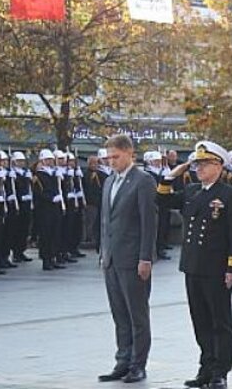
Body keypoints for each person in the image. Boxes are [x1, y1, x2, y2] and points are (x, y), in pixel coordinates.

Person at [161, 141, 232, 389]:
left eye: (204, 164)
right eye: (196, 164)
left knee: (220, 321)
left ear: (218, 166)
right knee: (200, 321)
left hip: (216, 268)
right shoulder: (191, 191)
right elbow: (162, 200)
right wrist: (171, 175)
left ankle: (220, 371)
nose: (198, 168)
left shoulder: (230, 194)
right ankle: (206, 367)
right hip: (192, 265)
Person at [97, 135, 157, 385]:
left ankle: (138, 364)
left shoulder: (143, 181)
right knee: (119, 314)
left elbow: (149, 222)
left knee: (137, 315)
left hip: (133, 259)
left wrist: (146, 257)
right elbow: (105, 221)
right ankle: (122, 361)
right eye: (109, 157)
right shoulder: (109, 181)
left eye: (116, 156)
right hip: (112, 258)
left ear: (130, 153)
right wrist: (103, 252)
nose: (111, 162)